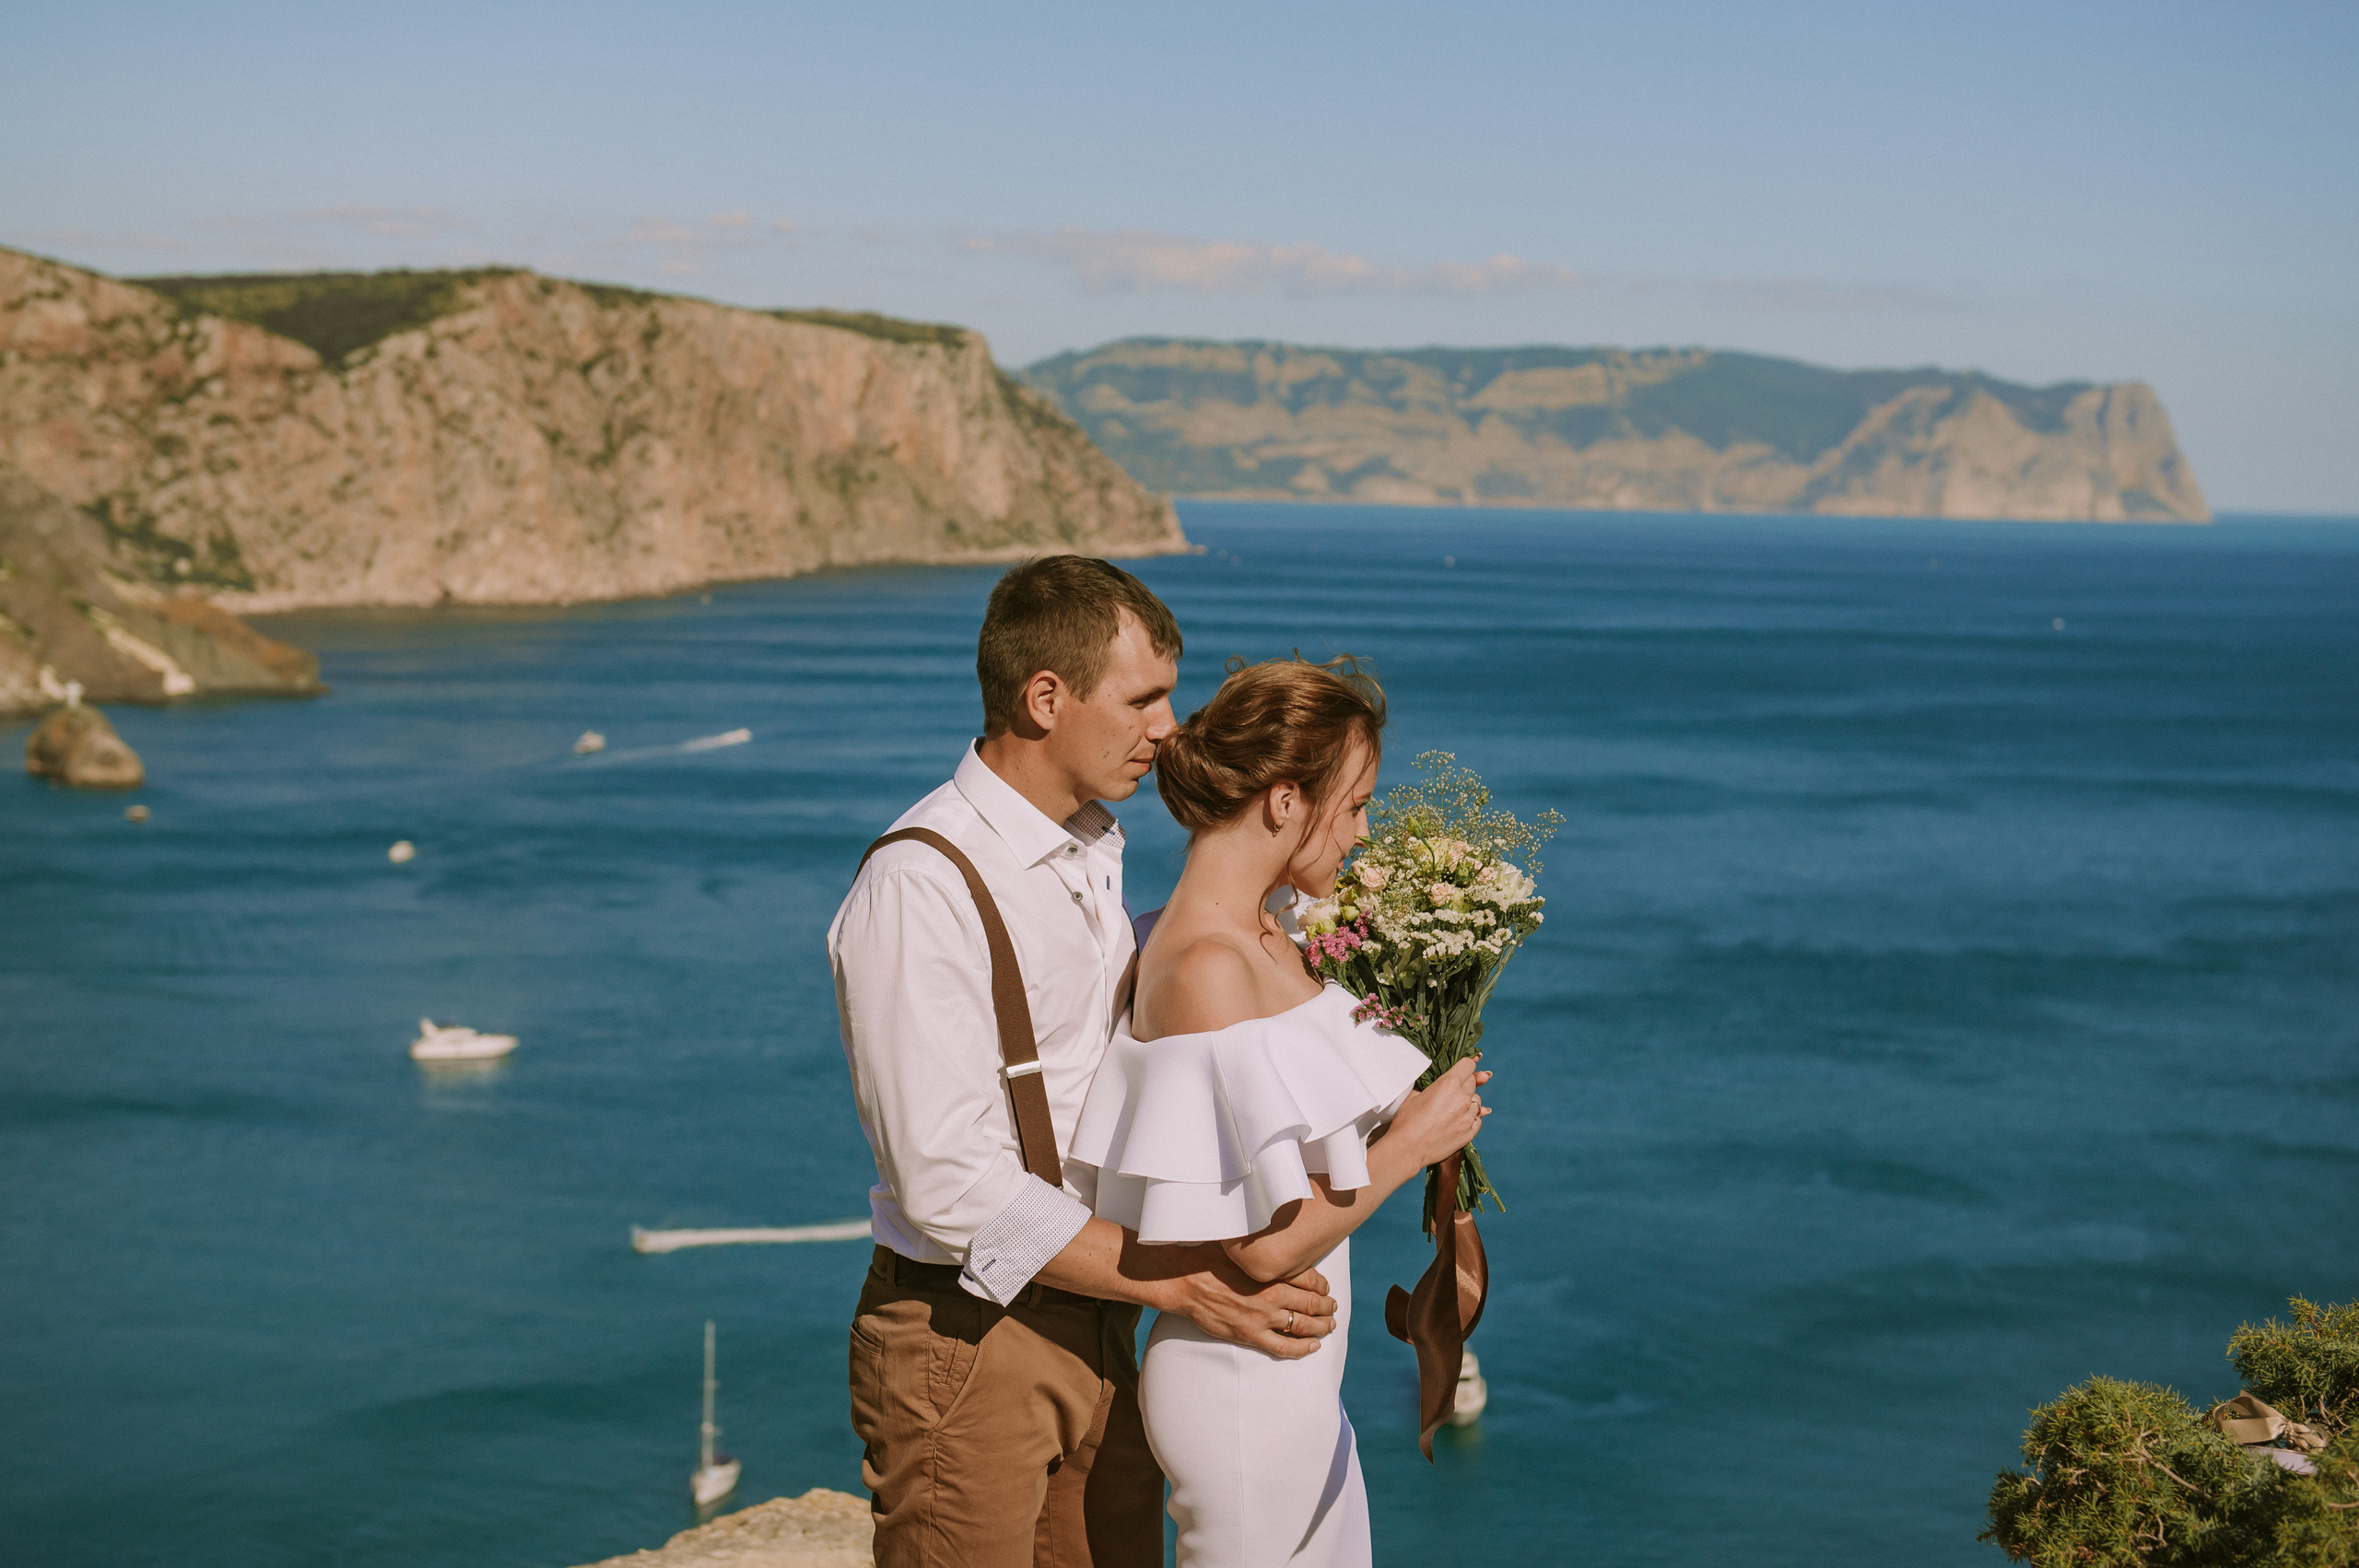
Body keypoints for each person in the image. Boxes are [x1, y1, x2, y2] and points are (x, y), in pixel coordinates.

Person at [829, 556, 1344, 1568]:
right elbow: (949, 1183)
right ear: (1045, 697)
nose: (1169, 727)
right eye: (1143, 698)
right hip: (968, 1340)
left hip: (1099, 1314)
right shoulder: (918, 885)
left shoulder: (1083, 852)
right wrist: (1188, 1284)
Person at [1066, 657, 1493, 1568]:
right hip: (1238, 1392)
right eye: (1355, 805)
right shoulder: (1204, 965)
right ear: (1285, 801)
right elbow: (1259, 1245)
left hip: (1293, 1381)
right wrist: (1416, 1139)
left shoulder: (1272, 932)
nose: (1366, 832)